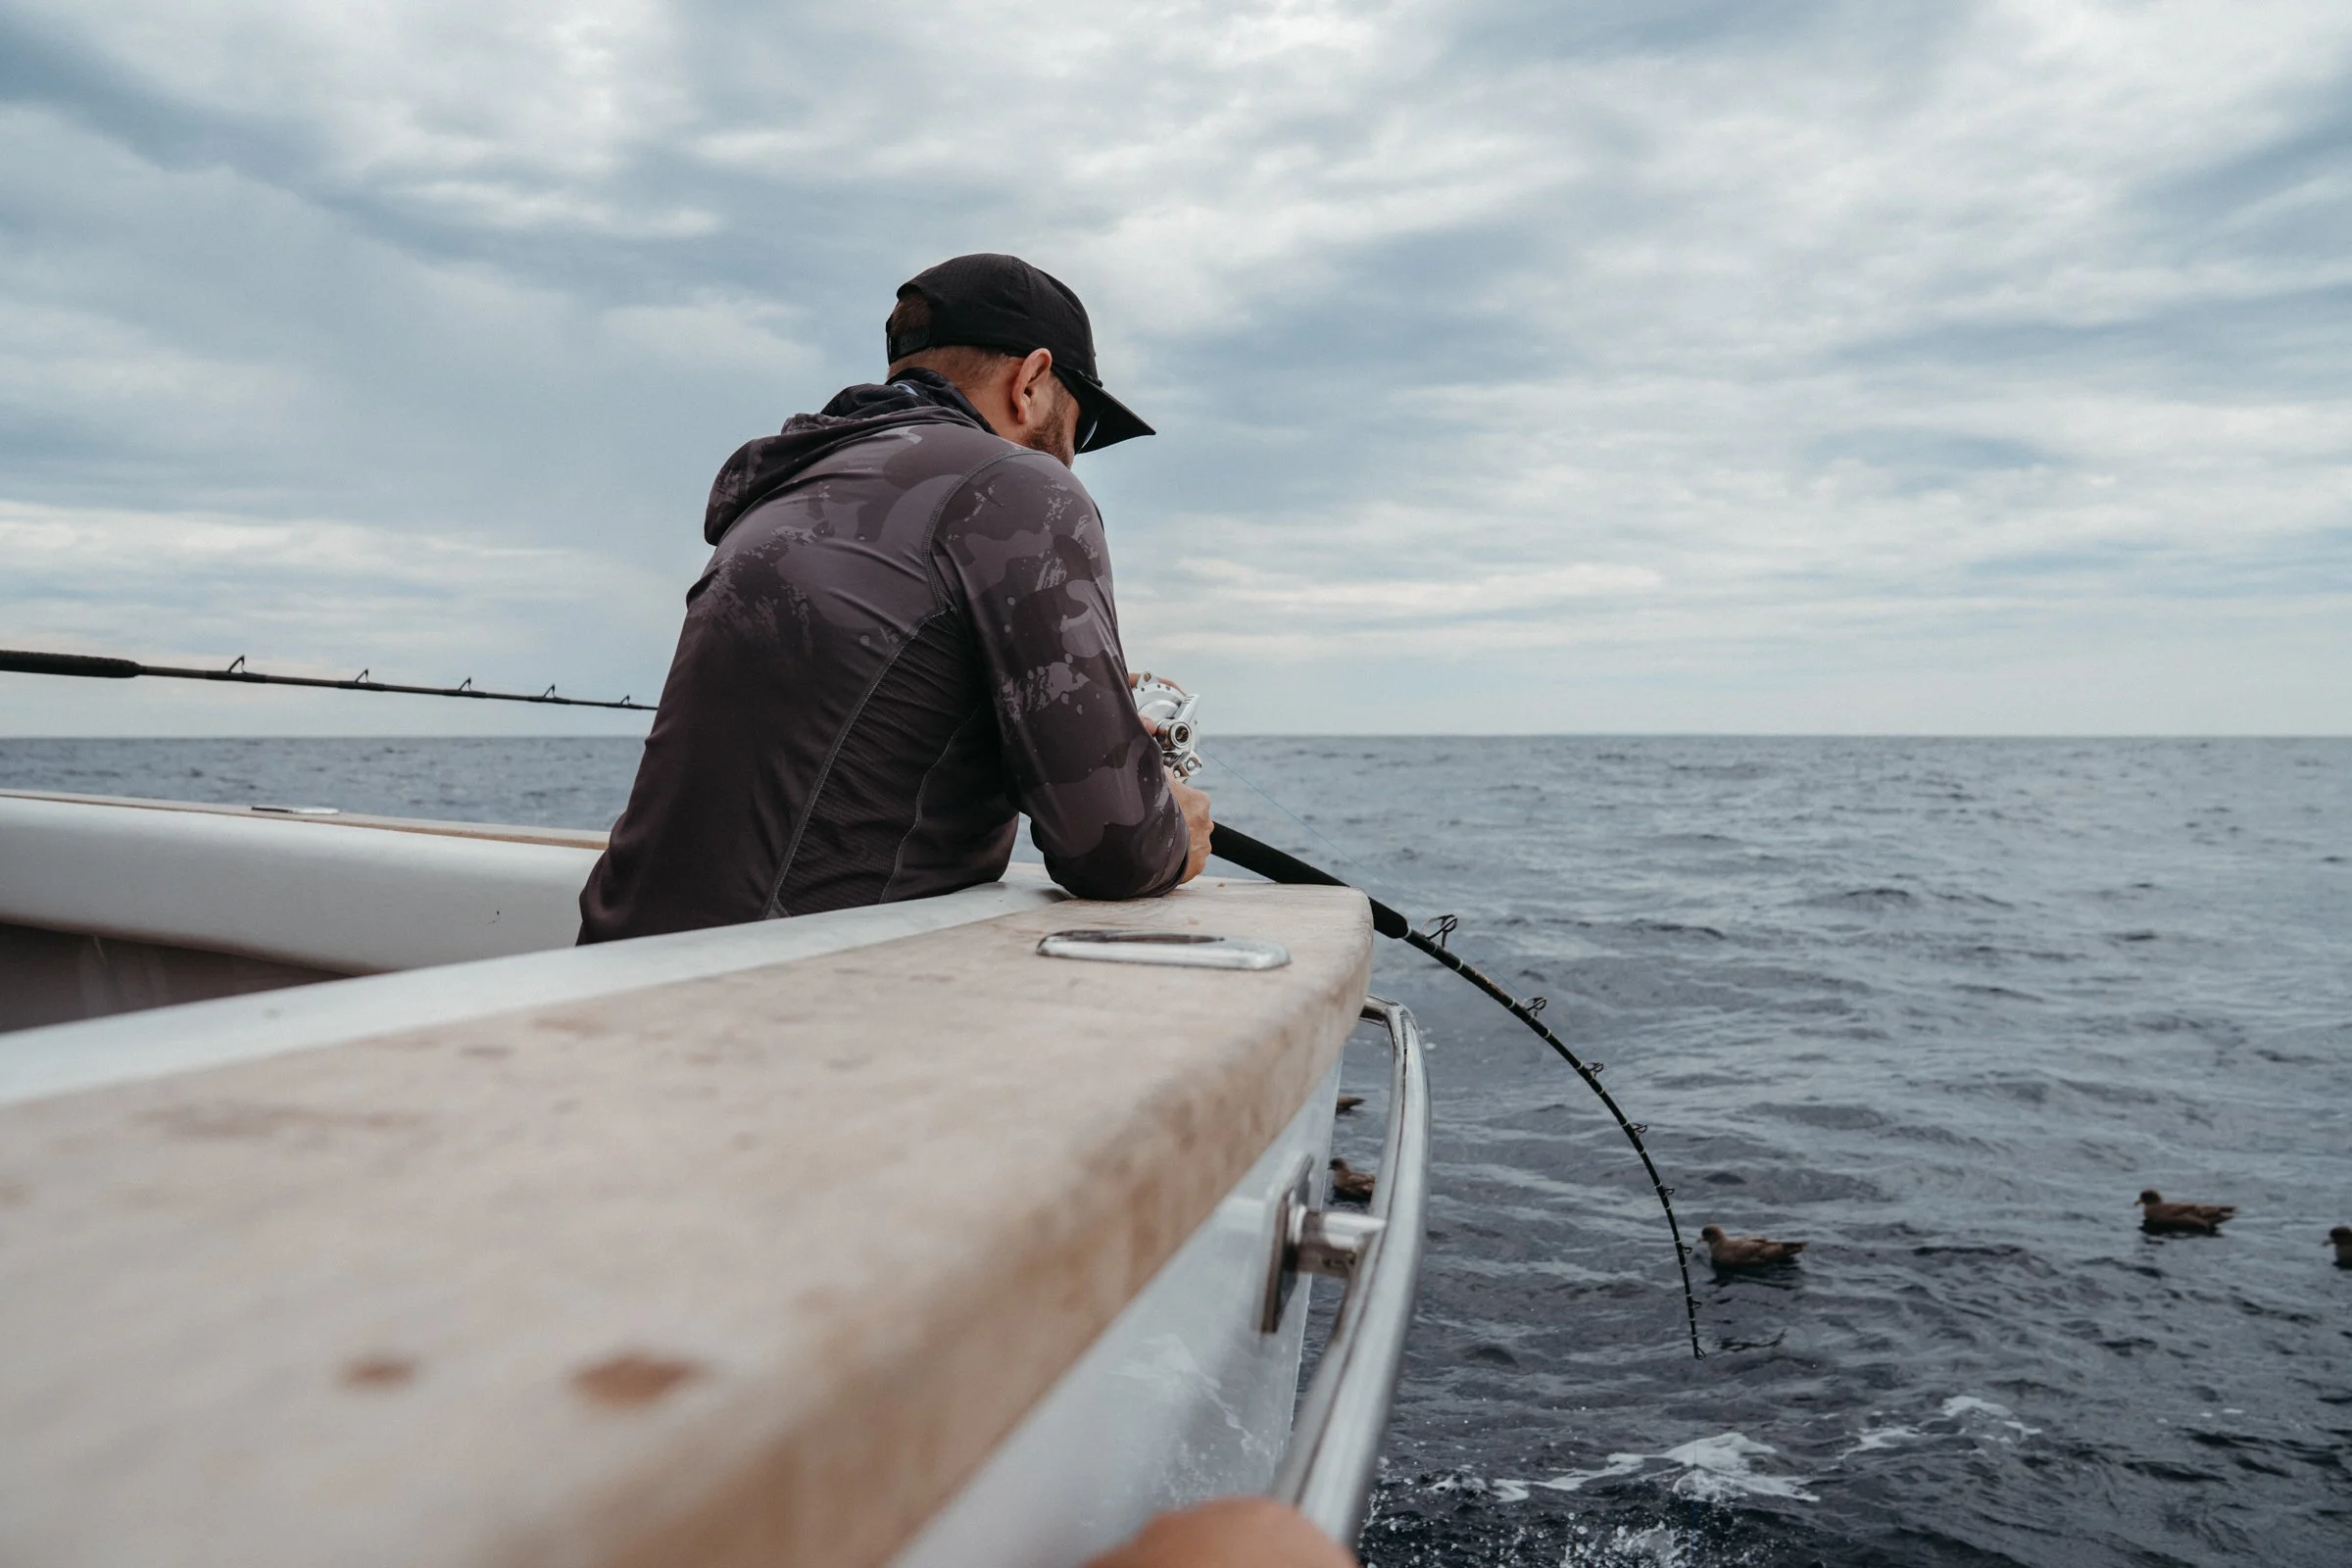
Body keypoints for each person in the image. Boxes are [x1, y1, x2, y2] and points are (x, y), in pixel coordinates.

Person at [579, 254, 1213, 942]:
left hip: (613, 965)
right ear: (1030, 381)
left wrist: (1065, 707)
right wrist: (1172, 827)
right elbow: (1114, 850)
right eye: (1078, 428)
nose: (1070, 457)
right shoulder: (1022, 486)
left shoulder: (789, 488)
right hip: (766, 986)